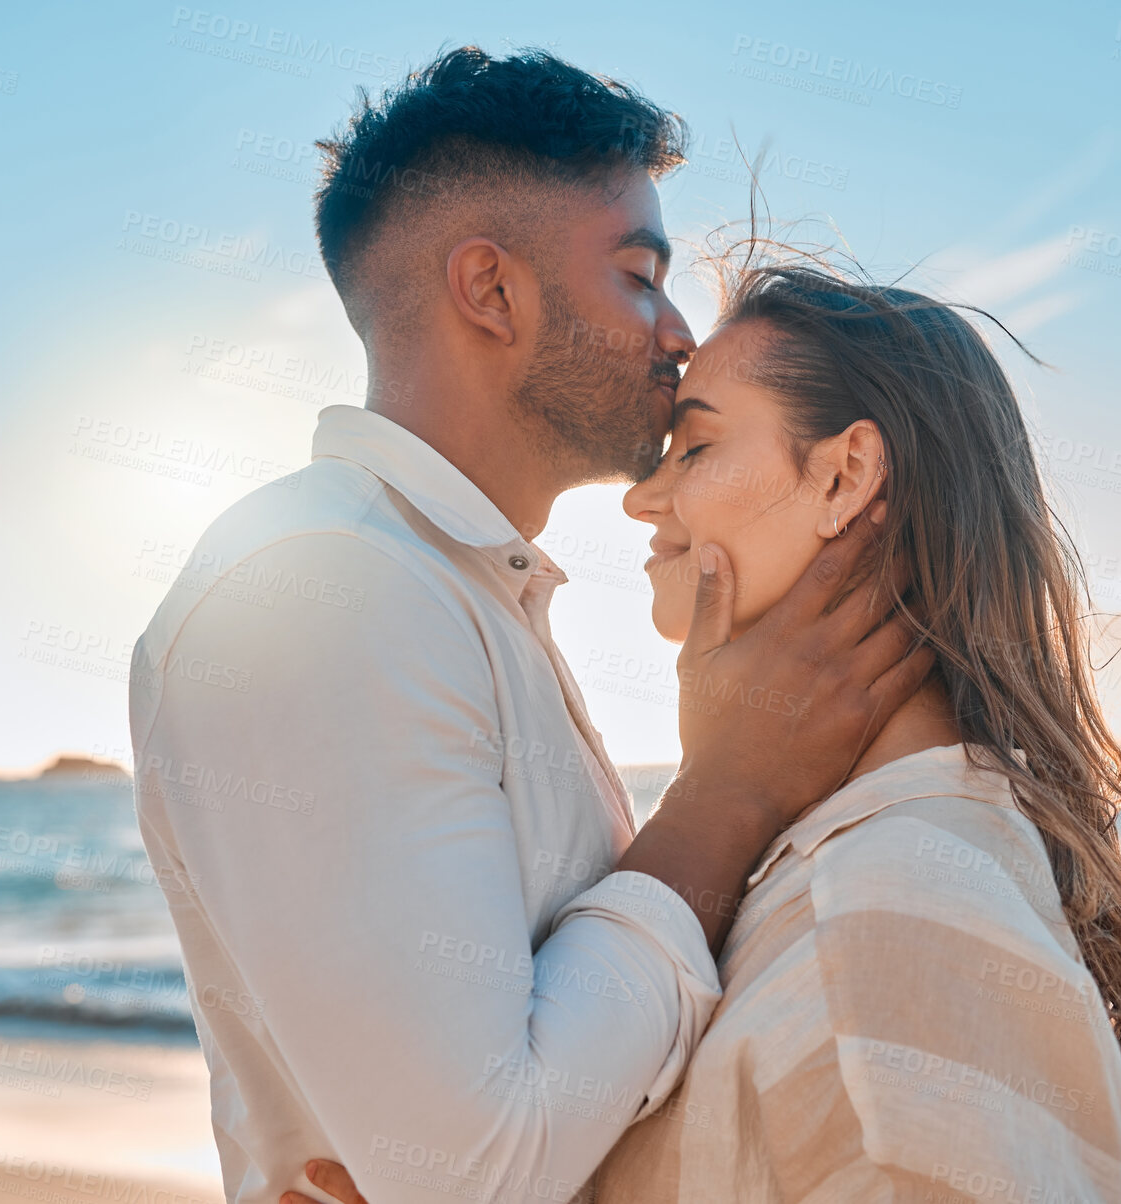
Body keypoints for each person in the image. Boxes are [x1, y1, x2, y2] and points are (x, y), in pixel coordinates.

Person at [129, 50, 930, 1204]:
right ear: (491, 292)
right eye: (640, 274)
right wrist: (726, 794)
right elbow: (478, 1173)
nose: (677, 334)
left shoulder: (453, 590)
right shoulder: (326, 590)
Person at [289, 260, 1121, 1203]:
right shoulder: (832, 863)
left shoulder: (894, 908)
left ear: (846, 475)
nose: (641, 500)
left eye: (692, 451)